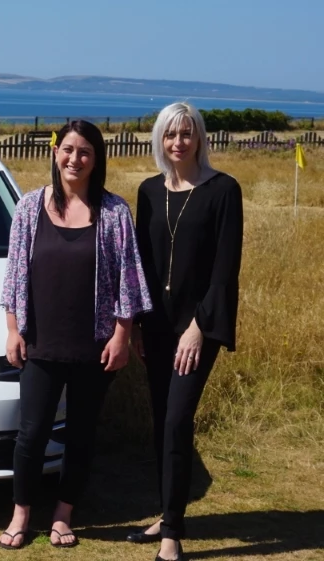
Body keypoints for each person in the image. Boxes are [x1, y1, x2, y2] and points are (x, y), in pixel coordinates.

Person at [0, 120, 152, 550]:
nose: (75, 158)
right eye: (68, 149)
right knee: (31, 434)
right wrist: (13, 330)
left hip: (94, 347)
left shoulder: (115, 212)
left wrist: (122, 336)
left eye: (85, 151)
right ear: (55, 152)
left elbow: (129, 280)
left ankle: (64, 516)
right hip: (41, 345)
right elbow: (13, 276)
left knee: (81, 434)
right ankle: (21, 514)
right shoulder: (30, 207)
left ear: (96, 159)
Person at [127, 102, 243, 561]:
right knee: (162, 425)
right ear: (160, 140)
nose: (179, 142)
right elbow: (141, 267)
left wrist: (198, 327)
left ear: (200, 138)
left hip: (199, 326)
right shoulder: (149, 192)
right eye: (170, 134)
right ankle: (166, 513)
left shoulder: (223, 190)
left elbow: (225, 270)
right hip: (155, 325)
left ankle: (172, 534)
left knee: (177, 420)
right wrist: (135, 323)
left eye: (187, 133)